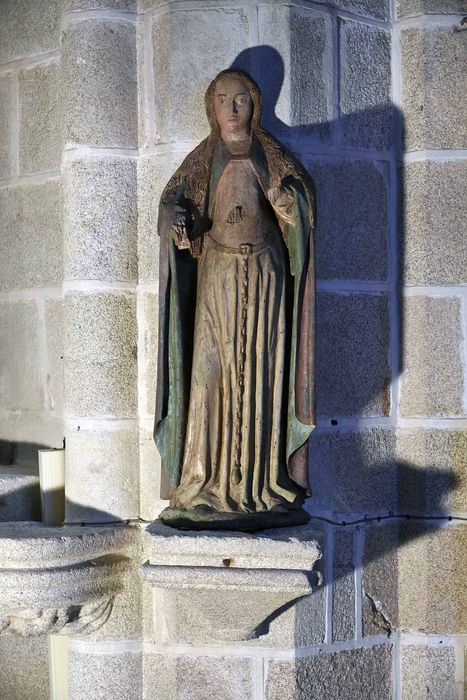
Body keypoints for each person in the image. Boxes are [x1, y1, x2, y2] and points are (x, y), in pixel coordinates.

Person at [154, 69, 316, 530]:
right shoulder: (202, 160)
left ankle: (261, 487)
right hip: (216, 278)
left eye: (240, 98)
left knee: (261, 373)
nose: (232, 108)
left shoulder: (273, 156)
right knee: (208, 374)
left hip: (265, 279)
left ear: (255, 103)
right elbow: (171, 210)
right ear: (211, 107)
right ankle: (201, 484)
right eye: (222, 99)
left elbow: (301, 211)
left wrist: (287, 203)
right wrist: (178, 224)